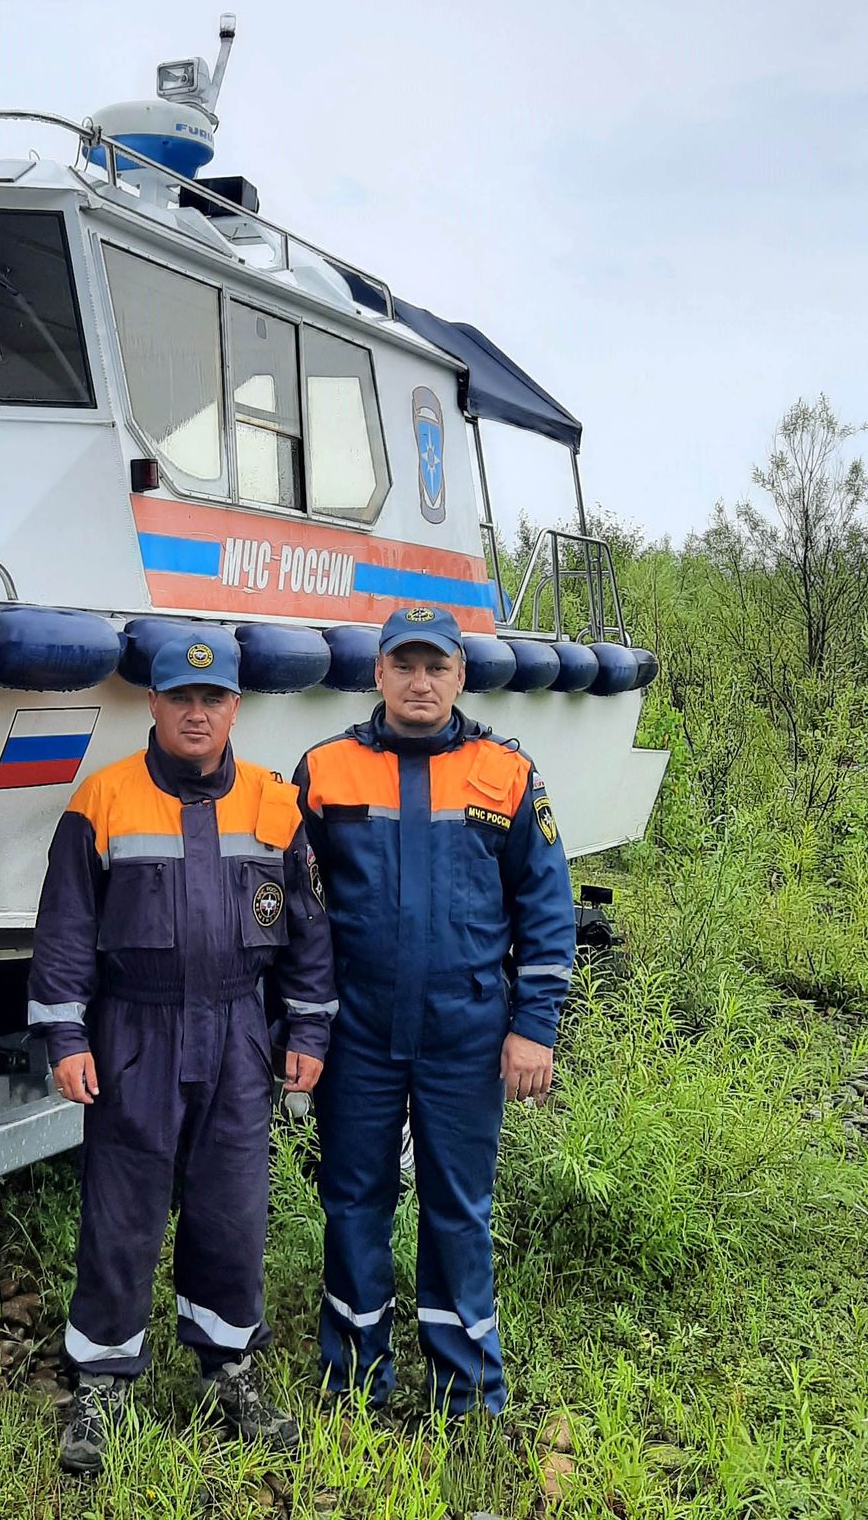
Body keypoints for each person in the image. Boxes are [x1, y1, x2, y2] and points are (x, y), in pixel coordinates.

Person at [26, 634, 338, 1475]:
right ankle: (99, 1382)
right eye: (179, 698)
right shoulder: (103, 801)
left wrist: (306, 1032)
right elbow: (63, 935)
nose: (196, 713)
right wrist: (64, 1034)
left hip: (240, 1036)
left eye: (213, 699)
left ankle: (226, 1371)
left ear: (236, 706)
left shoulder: (276, 804)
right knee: (121, 1216)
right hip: (136, 1033)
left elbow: (310, 935)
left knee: (231, 1212)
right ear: (153, 705)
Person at [294, 605, 575, 1415]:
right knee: (353, 1201)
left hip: (467, 1033)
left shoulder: (508, 775)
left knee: (458, 1209)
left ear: (462, 674)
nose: (421, 682)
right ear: (377, 672)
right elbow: (293, 913)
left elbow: (547, 910)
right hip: (358, 1037)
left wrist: (534, 1026)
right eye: (404, 666)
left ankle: (466, 1391)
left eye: (437, 667)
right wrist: (299, 1023)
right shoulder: (324, 770)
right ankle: (352, 1382)